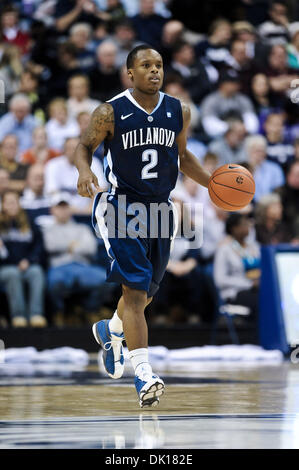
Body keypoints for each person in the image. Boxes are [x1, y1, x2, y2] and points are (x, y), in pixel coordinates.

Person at [74, 45, 211, 408]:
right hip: (120, 208)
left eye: (159, 65)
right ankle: (144, 374)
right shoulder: (109, 112)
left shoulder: (179, 110)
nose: (155, 71)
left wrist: (211, 182)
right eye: (146, 66)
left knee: (147, 294)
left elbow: (182, 157)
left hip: (160, 212)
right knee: (134, 294)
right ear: (129, 73)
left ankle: (110, 330)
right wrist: (85, 171)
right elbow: (83, 147)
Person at [42, 192, 108, 325]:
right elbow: (50, 246)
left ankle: (90, 310)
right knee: (55, 282)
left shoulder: (82, 227)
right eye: (59, 207)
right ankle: (60, 313)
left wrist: (67, 247)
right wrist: (75, 245)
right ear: (52, 210)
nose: (62, 210)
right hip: (59, 267)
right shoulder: (46, 229)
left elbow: (91, 247)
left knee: (106, 279)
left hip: (82, 266)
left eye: (65, 207)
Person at [0, 190, 46, 328]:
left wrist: (29, 260)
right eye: (9, 203)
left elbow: (39, 245)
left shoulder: (29, 220)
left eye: (15, 202)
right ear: (3, 205)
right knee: (12, 274)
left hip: (27, 264)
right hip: (5, 266)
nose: (12, 206)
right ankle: (18, 316)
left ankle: (36, 314)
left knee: (36, 272)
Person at [213, 213, 260, 321]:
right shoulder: (224, 249)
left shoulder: (254, 247)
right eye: (243, 225)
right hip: (235, 294)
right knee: (261, 302)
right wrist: (249, 284)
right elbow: (220, 280)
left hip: (256, 289)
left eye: (248, 224)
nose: (247, 227)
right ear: (233, 228)